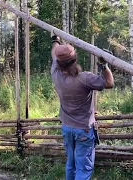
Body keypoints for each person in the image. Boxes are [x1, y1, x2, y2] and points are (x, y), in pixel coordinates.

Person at [50, 30, 114, 180]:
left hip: (67, 128)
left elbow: (54, 53)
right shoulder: (85, 78)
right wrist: (103, 65)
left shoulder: (55, 73)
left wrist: (55, 40)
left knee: (71, 164)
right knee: (83, 168)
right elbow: (110, 83)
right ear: (74, 60)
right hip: (83, 130)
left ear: (59, 62)